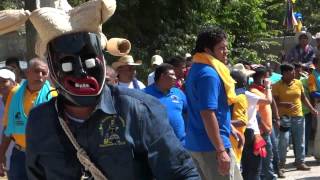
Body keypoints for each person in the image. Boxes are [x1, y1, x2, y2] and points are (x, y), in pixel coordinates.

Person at [24, 1, 200, 179]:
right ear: (51, 71)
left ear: (102, 60)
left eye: (89, 61)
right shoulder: (39, 121)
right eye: (67, 64)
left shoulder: (139, 111)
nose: (81, 72)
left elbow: (181, 173)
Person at [185, 26, 240, 180]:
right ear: (208, 50)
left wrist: (229, 126)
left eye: (226, 47)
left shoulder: (196, 68)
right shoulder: (208, 74)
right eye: (221, 48)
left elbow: (204, 107)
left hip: (200, 143)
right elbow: (207, 113)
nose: (226, 51)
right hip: (211, 147)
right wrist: (221, 151)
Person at [0, 58, 56, 180]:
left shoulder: (53, 95)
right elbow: (8, 127)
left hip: (45, 156)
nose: (40, 75)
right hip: (19, 155)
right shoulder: (15, 94)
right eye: (36, 71)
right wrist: (2, 153)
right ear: (27, 72)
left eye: (44, 72)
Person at [273, 64, 317, 174]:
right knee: (283, 142)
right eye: (291, 72)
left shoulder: (298, 83)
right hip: (284, 118)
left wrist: (311, 109)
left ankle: (300, 162)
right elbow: (275, 102)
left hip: (298, 116)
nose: (294, 74)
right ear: (284, 73)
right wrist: (284, 104)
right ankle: (281, 164)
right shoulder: (277, 85)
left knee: (300, 141)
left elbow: (303, 97)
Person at [144, 63, 187, 145]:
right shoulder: (144, 94)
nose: (175, 77)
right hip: (157, 147)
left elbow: (188, 112)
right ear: (162, 76)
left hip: (181, 145)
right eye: (172, 75)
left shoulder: (178, 92)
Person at [249, 66, 277, 180]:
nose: (269, 79)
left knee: (269, 155)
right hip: (262, 130)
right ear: (262, 78)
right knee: (266, 157)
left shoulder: (261, 89)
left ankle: (269, 176)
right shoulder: (253, 91)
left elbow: (270, 102)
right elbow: (255, 113)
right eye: (267, 77)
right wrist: (264, 126)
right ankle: (269, 177)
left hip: (268, 129)